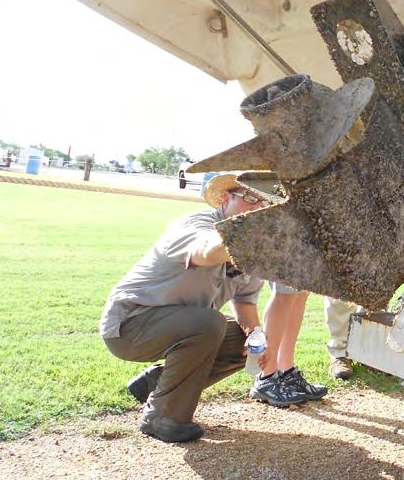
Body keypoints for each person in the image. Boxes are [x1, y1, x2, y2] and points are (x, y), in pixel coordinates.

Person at [99, 173, 324, 443]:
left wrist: (255, 334)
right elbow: (206, 251)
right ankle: (163, 417)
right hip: (130, 325)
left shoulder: (255, 250)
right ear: (225, 199)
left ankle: (158, 384)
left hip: (180, 326)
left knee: (245, 343)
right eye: (250, 198)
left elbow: (245, 300)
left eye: (266, 203)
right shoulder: (197, 224)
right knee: (209, 325)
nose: (258, 208)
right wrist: (256, 234)